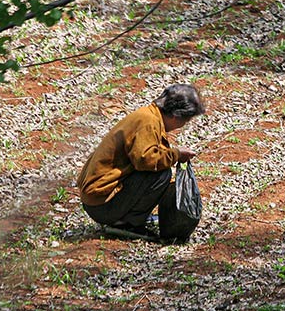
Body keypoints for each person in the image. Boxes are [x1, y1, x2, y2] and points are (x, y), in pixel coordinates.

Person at [77, 84, 205, 243]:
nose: (184, 125)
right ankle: (126, 224)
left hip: (97, 200)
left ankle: (127, 217)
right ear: (175, 115)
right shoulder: (148, 121)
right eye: (186, 120)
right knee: (160, 174)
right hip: (102, 205)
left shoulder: (150, 115)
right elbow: (146, 160)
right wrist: (177, 155)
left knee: (161, 173)